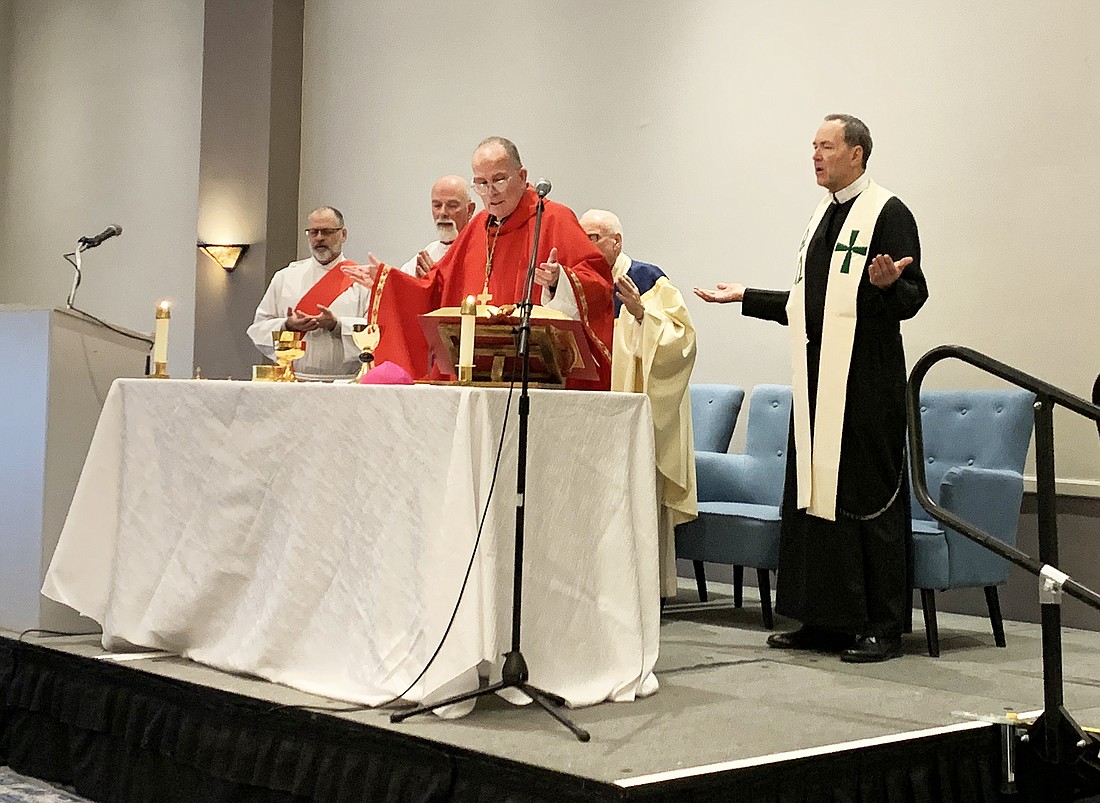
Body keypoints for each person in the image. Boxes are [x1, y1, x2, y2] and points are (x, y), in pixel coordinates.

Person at [694, 114, 929, 662]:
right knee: (813, 499)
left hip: (867, 384)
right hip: (818, 381)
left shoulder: (888, 212)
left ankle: (882, 623)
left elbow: (913, 297)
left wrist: (889, 285)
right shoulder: (823, 217)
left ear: (858, 153)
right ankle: (825, 619)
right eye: (813, 147)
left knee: (865, 499)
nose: (816, 156)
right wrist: (747, 296)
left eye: (826, 146)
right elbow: (811, 306)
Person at [343, 137, 614, 389]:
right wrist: (389, 281)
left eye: (498, 180)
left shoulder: (553, 219)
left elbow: (598, 283)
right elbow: (437, 288)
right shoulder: (476, 228)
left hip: (537, 379)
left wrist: (559, 282)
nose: (490, 192)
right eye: (481, 183)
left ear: (521, 177)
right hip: (474, 374)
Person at [579, 209, 697, 598]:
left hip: (638, 405)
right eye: (584, 238)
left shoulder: (647, 279)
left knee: (638, 495)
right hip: (593, 407)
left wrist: (641, 314)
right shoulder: (582, 283)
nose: (588, 246)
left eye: (595, 237)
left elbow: (682, 339)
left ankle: (643, 591)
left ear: (617, 241)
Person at [247, 205, 371, 381]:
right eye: (313, 232)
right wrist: (288, 326)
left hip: (345, 382)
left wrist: (336, 325)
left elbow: (375, 331)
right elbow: (258, 328)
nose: (319, 238)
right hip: (294, 380)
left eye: (327, 232)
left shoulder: (362, 280)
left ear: (343, 234)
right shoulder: (285, 277)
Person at [399, 175, 477, 278]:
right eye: (437, 205)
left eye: (452, 206)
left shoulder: (481, 252)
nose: (442, 212)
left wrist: (436, 282)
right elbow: (399, 285)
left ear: (470, 210)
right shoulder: (427, 256)